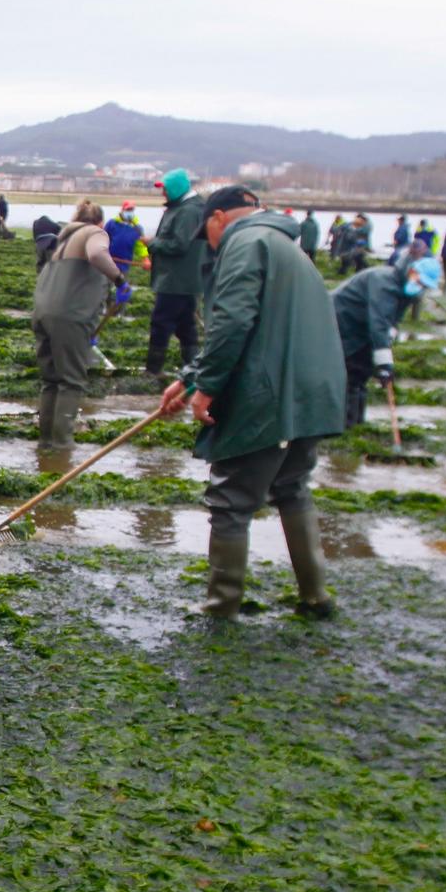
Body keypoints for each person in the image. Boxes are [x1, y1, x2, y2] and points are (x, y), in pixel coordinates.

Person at [157, 186, 343, 619]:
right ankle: (316, 597)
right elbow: (257, 324)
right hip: (308, 395)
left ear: (218, 217)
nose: (211, 245)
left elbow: (234, 320)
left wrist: (207, 388)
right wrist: (188, 380)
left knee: (231, 499)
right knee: (291, 488)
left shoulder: (244, 242)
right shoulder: (285, 245)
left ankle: (222, 605)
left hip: (270, 392)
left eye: (208, 234)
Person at [32, 200, 126, 450]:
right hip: (69, 316)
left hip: (42, 312)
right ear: (100, 222)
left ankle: (45, 444)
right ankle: (63, 445)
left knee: (50, 380)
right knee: (71, 381)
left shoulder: (61, 241)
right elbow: (97, 254)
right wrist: (120, 280)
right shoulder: (94, 233)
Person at [334, 256, 439, 427]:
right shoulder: (384, 282)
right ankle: (346, 423)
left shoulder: (406, 288)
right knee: (352, 370)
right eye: (421, 282)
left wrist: (386, 349)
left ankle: (357, 422)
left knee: (363, 372)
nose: (421, 288)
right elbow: (379, 323)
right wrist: (384, 364)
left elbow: (391, 321)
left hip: (364, 325)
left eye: (425, 286)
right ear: (413, 271)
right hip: (344, 320)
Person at [144, 169, 206, 376]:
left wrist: (153, 243)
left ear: (176, 188)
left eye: (165, 190)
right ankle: (193, 369)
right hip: (182, 281)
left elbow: (180, 245)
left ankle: (153, 371)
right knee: (185, 326)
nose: (163, 194)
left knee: (161, 323)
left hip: (176, 281)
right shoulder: (184, 208)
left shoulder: (188, 211)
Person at [104, 202, 146, 285]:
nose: (130, 212)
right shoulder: (111, 224)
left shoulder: (137, 228)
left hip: (124, 264)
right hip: (108, 262)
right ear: (122, 210)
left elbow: (141, 246)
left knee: (121, 288)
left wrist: (145, 258)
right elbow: (102, 239)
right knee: (105, 286)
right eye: (128, 210)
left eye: (131, 210)